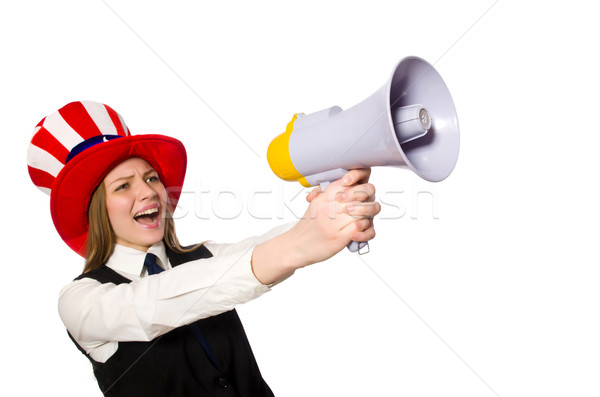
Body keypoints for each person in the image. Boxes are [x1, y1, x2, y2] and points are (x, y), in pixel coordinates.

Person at [27, 101, 380, 396]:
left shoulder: (206, 256)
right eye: (123, 186)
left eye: (152, 178)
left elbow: (262, 250)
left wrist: (334, 213)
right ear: (98, 210)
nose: (148, 192)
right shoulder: (80, 300)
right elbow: (152, 304)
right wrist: (301, 241)